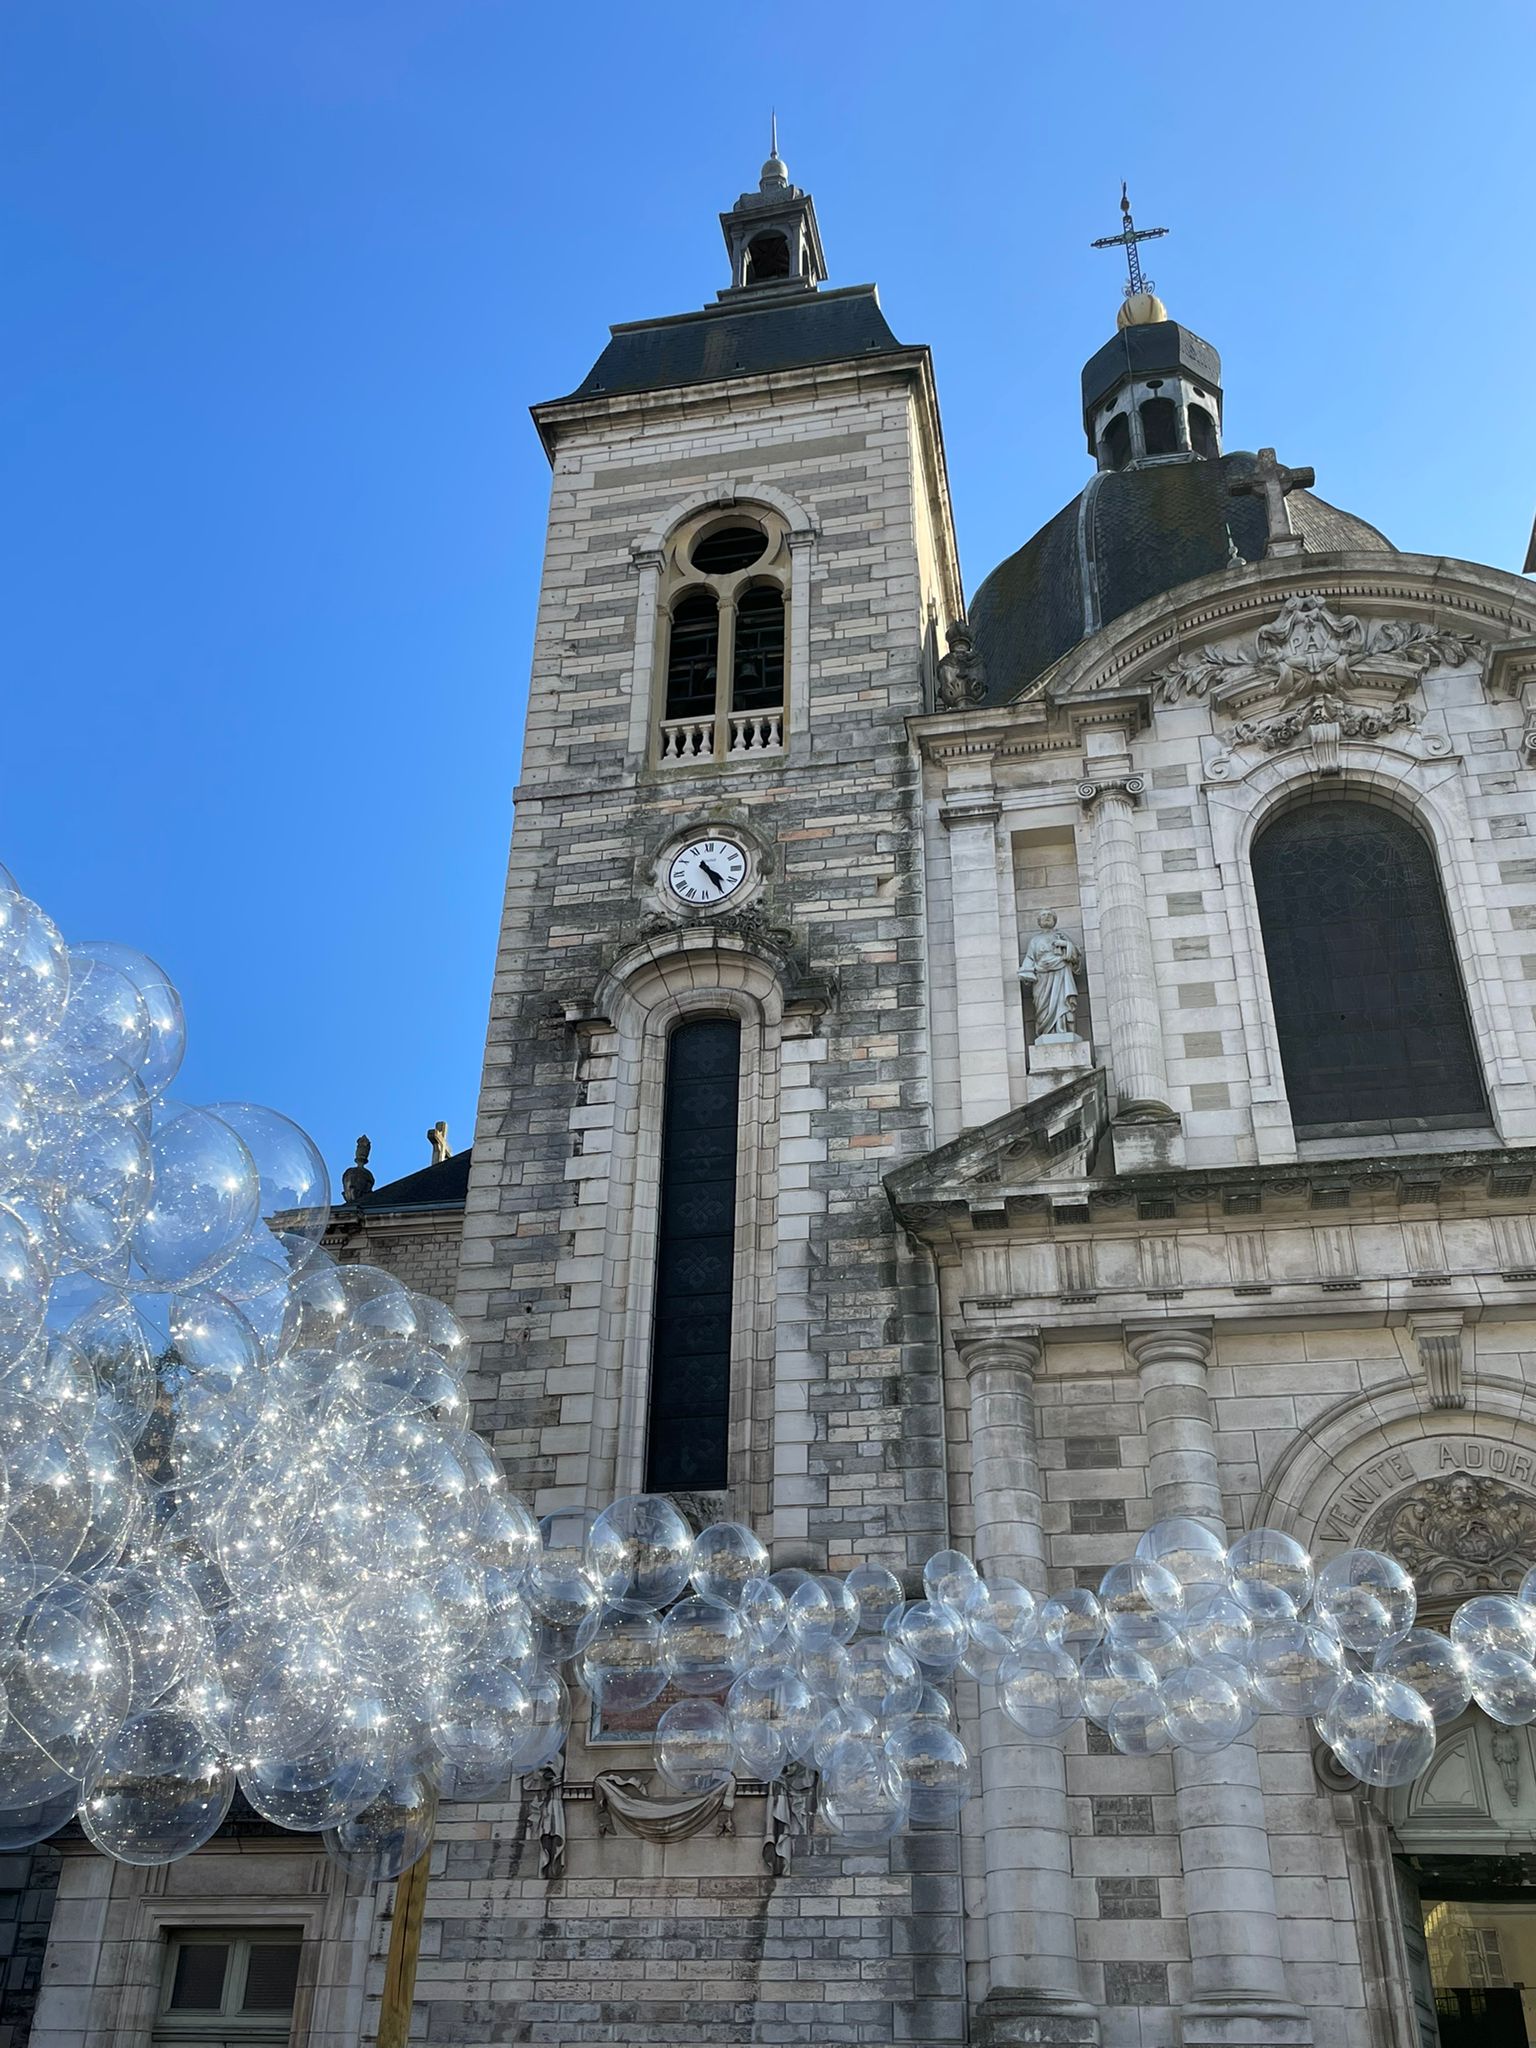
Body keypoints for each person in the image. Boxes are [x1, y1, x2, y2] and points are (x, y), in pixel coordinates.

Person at [1018, 912, 1081, 1040]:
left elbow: (1075, 955)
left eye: (1049, 915)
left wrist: (1065, 945)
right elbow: (1030, 958)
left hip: (1061, 972)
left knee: (1063, 1004)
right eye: (1043, 915)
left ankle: (1062, 1030)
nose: (1046, 917)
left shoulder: (1062, 936)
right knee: (1043, 1008)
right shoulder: (1034, 940)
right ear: (1039, 921)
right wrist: (1026, 971)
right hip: (1042, 977)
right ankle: (1048, 1032)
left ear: (1054, 920)